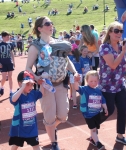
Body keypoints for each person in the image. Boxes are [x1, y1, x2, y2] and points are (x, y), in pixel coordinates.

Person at [26, 16, 79, 150]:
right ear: (40, 28)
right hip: (46, 86)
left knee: (62, 116)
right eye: (48, 23)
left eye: (51, 23)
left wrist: (74, 72)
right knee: (49, 117)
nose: (51, 25)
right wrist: (37, 78)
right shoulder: (35, 46)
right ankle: (54, 141)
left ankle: (49, 127)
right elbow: (28, 68)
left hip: (61, 84)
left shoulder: (58, 43)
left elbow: (67, 60)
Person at [99, 21, 126, 145]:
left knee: (122, 109)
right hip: (107, 85)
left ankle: (120, 135)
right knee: (109, 110)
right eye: (116, 31)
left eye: (121, 31)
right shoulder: (105, 47)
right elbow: (112, 65)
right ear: (110, 32)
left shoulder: (122, 46)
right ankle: (94, 124)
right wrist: (122, 52)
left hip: (120, 84)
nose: (119, 33)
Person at [9, 70, 43, 150]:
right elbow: (13, 99)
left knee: (36, 146)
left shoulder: (33, 93)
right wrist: (22, 88)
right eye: (28, 84)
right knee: (15, 146)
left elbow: (41, 93)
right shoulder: (17, 95)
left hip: (31, 128)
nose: (31, 87)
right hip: (19, 129)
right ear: (20, 84)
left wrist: (42, 84)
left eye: (31, 84)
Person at [74, 70, 108, 150]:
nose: (93, 83)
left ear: (98, 81)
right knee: (93, 129)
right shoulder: (85, 89)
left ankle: (92, 139)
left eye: (95, 81)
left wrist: (105, 108)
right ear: (87, 81)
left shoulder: (98, 90)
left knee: (95, 128)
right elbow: (76, 88)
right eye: (91, 81)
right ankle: (97, 143)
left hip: (97, 113)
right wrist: (76, 81)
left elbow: (102, 100)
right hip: (88, 115)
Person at [68, 43, 84, 109]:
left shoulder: (69, 58)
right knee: (80, 89)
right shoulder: (80, 58)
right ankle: (81, 103)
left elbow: (67, 68)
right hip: (80, 74)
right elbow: (83, 69)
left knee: (73, 90)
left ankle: (75, 104)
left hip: (72, 75)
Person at [0, 31, 15, 96]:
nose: (8, 37)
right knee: (3, 78)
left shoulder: (10, 44)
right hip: (3, 63)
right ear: (3, 37)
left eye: (9, 36)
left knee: (10, 77)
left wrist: (13, 62)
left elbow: (11, 53)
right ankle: (2, 87)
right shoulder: (0, 45)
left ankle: (11, 91)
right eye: (7, 36)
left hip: (9, 62)